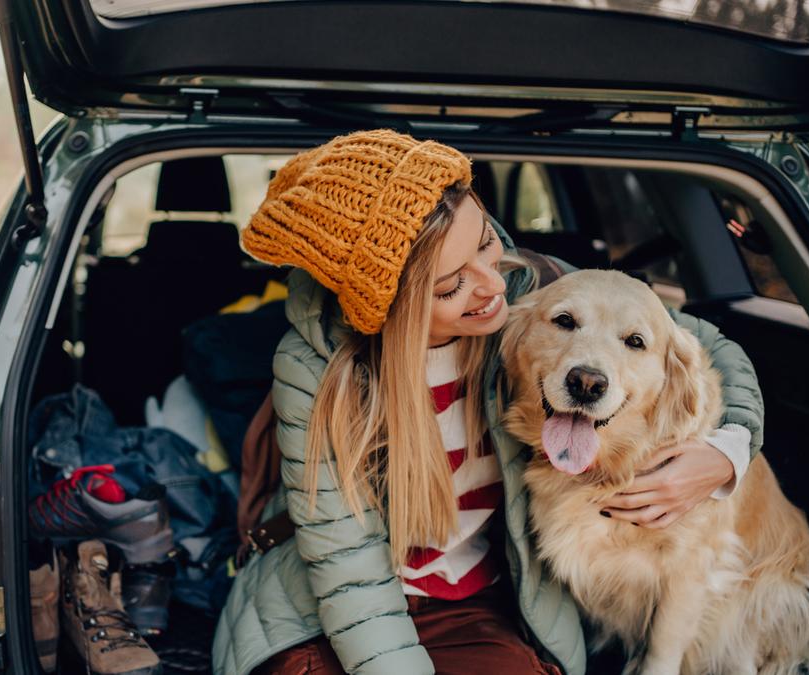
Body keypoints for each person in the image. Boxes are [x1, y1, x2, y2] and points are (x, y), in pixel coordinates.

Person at [212, 130, 762, 674]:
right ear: (390, 305)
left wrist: (727, 452)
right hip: (325, 610)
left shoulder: (530, 288)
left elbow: (707, 346)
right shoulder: (315, 368)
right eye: (451, 285)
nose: (492, 285)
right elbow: (349, 574)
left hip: (472, 601)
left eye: (484, 243)